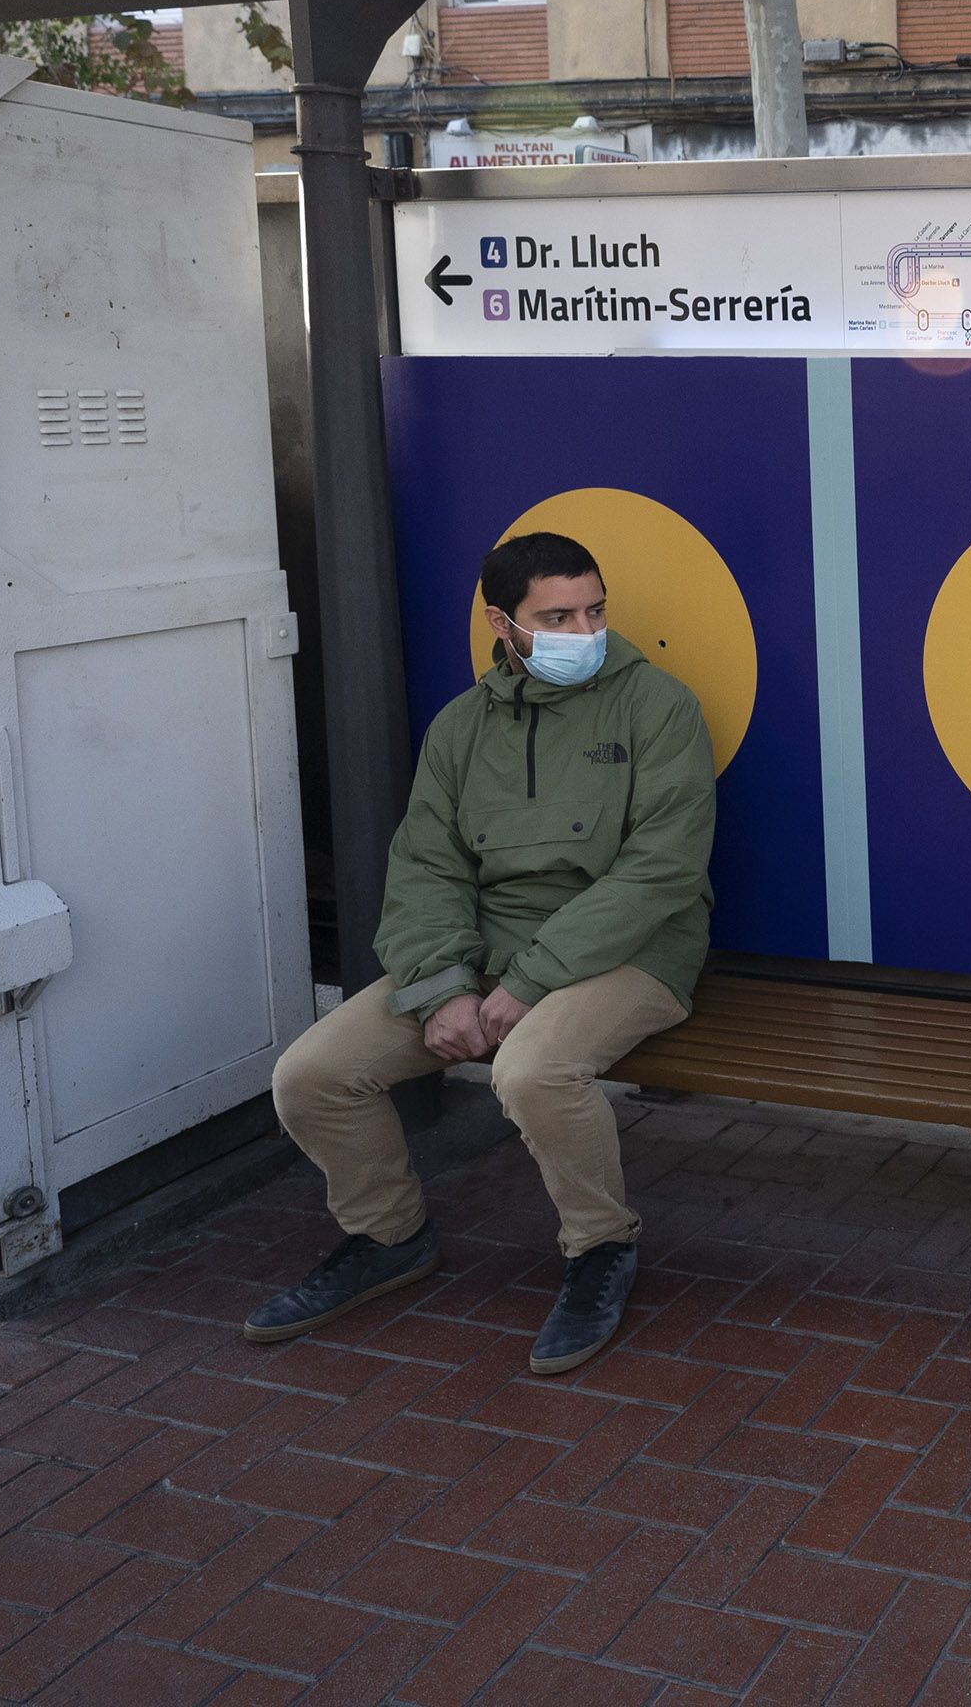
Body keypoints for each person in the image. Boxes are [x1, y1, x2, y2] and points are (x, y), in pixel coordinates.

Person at [248, 530, 718, 1376]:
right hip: (487, 953)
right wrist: (441, 988)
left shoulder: (659, 707)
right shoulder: (462, 727)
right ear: (504, 624)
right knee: (313, 1075)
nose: (586, 630)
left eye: (596, 609)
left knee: (532, 1071)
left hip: (632, 949)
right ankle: (387, 1236)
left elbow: (662, 871)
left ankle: (600, 1247)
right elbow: (426, 867)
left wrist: (530, 982)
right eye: (558, 615)